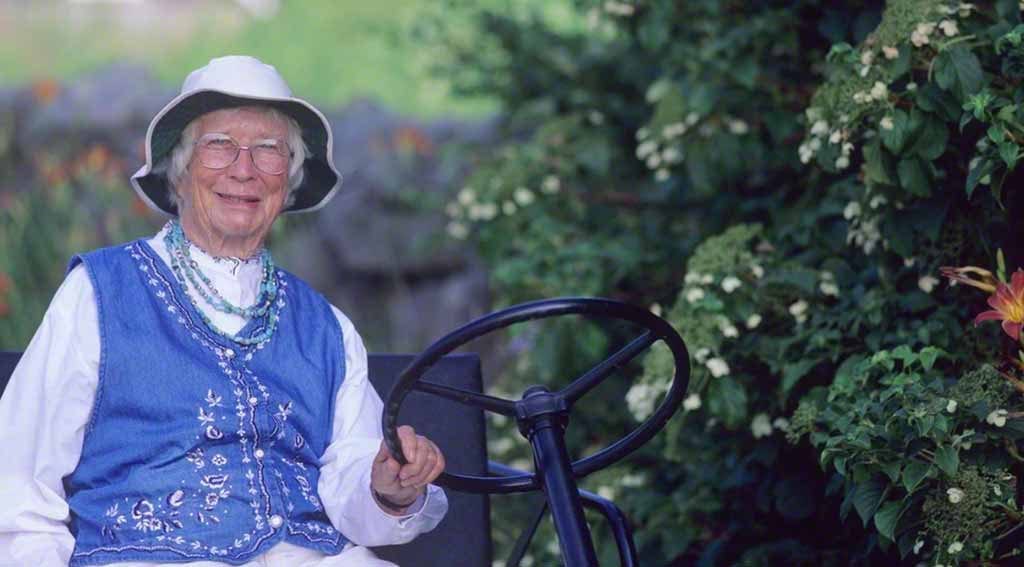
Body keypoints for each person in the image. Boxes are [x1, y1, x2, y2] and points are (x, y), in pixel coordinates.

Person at [0, 55, 447, 566]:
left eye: (268, 151)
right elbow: (17, 489)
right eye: (219, 147)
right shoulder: (97, 295)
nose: (244, 169)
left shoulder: (326, 327)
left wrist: (386, 486)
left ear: (290, 178)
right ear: (180, 168)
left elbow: (353, 485)